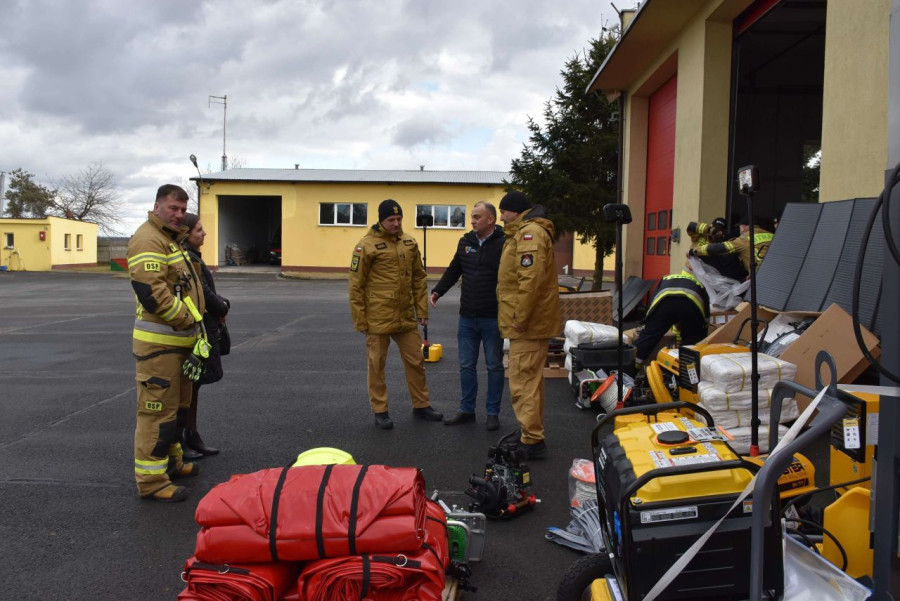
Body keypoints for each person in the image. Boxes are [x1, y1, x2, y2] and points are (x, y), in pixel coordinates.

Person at [127, 184, 204, 503]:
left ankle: (171, 463)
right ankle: (151, 480)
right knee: (156, 413)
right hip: (160, 346)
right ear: (157, 206)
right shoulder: (148, 239)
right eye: (173, 208)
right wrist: (187, 319)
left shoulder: (171, 240)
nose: (178, 215)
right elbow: (153, 294)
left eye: (183, 210)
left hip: (178, 344)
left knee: (176, 409)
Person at [348, 199, 443, 429]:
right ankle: (380, 410)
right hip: (377, 317)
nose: (396, 223)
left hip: (405, 317)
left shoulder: (409, 242)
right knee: (377, 365)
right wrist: (360, 320)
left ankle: (421, 405)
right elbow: (355, 285)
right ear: (381, 220)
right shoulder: (366, 246)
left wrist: (421, 310)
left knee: (416, 361)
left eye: (399, 219)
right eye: (391, 220)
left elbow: (419, 278)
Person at [430, 201, 505, 431]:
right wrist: (437, 291)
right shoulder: (466, 242)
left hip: (492, 317)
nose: (472, 220)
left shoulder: (504, 243)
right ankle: (467, 410)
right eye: (471, 217)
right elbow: (454, 269)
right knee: (466, 366)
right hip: (467, 317)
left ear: (491, 219)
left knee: (494, 366)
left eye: (477, 217)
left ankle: (492, 413)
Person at [496, 191, 558, 459]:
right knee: (531, 380)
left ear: (515, 211)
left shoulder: (529, 233)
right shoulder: (523, 232)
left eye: (503, 211)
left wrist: (520, 318)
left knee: (522, 380)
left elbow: (529, 280)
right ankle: (531, 434)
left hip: (527, 324)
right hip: (529, 322)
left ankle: (532, 441)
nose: (500, 217)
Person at [180, 213, 230, 459]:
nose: (204, 233)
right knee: (189, 386)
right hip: (196, 331)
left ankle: (191, 435)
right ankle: (184, 439)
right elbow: (204, 294)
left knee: (194, 387)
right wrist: (223, 306)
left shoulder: (192, 257)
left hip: (202, 329)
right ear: (186, 233)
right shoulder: (187, 259)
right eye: (199, 230)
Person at [633, 270, 710, 367]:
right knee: (692, 339)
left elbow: (653, 301)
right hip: (689, 304)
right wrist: (703, 330)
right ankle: (687, 370)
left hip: (664, 302)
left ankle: (630, 367)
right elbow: (706, 314)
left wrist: (649, 322)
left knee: (650, 335)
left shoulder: (665, 278)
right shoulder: (699, 284)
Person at [690, 216, 774, 276]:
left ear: (743, 227)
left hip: (761, 276)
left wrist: (695, 250)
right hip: (777, 273)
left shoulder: (744, 239)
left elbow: (721, 248)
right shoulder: (772, 235)